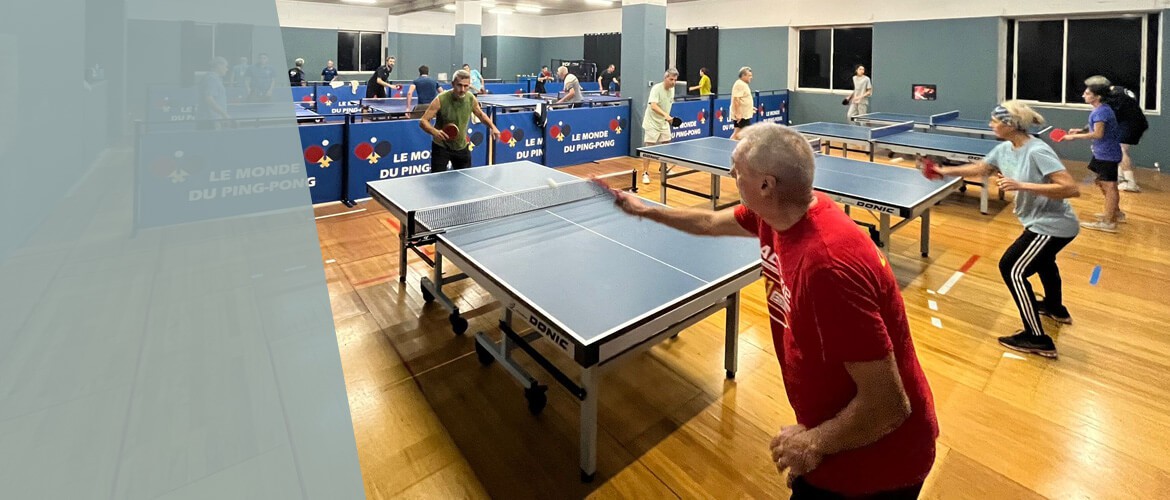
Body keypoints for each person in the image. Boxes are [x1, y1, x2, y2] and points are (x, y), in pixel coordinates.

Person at [612, 122, 938, 498]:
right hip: (842, 426)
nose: (730, 174)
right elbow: (708, 221)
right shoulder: (776, 216)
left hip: (877, 460)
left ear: (767, 185)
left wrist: (814, 442)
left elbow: (888, 406)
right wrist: (646, 211)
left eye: (737, 169)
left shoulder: (826, 268)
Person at [933, 102, 1081, 359]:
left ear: (1010, 125)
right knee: (1045, 262)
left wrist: (1021, 185)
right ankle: (1055, 308)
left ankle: (1037, 338)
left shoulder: (1037, 150)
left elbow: (1071, 188)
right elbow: (982, 168)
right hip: (1040, 222)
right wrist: (945, 171)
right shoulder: (1005, 148)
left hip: (1052, 225)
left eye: (995, 121)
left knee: (1012, 268)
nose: (991, 124)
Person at [1061, 75, 1122, 233]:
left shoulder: (1101, 112)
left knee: (1109, 186)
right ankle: (1115, 212)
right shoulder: (1101, 110)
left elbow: (1098, 134)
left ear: (1098, 96)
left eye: (1087, 93)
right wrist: (1080, 130)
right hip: (1101, 153)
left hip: (1107, 154)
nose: (1083, 95)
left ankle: (1109, 222)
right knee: (1101, 182)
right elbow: (1095, 128)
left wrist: (1073, 136)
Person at [418, 69, 501, 172]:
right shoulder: (441, 99)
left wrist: (493, 127)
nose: (462, 89)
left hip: (461, 146)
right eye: (459, 85)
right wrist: (435, 132)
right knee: (437, 181)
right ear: (453, 84)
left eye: (466, 86)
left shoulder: (471, 98)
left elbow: (480, 114)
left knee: (465, 179)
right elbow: (423, 121)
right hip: (441, 147)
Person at [640, 69, 680, 184]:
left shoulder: (672, 90)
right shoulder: (656, 89)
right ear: (665, 78)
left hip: (663, 122)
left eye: (675, 80)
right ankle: (645, 173)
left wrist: (666, 118)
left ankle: (663, 167)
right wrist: (666, 115)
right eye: (671, 79)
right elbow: (653, 105)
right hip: (652, 123)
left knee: (666, 143)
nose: (673, 82)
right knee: (649, 148)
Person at [1106, 84, 1148, 192]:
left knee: (1121, 150)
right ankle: (1120, 177)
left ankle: (1130, 183)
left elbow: (1104, 118)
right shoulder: (1119, 90)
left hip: (1130, 123)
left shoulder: (1111, 97)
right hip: (1136, 121)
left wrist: (1084, 130)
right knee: (1120, 147)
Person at [197, 57, 231, 130]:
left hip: (211, 119)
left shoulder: (214, 78)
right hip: (210, 120)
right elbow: (209, 99)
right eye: (226, 67)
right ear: (219, 66)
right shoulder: (212, 79)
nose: (227, 69)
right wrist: (224, 114)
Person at [730, 66, 754, 140]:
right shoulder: (739, 84)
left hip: (744, 114)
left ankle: (730, 148)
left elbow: (743, 99)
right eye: (749, 75)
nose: (751, 77)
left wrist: (750, 108)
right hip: (742, 116)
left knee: (737, 134)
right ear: (743, 75)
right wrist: (738, 114)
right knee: (744, 135)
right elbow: (736, 99)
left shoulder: (743, 84)